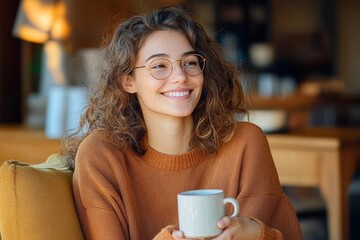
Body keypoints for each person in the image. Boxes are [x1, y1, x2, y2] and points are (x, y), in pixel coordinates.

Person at [61, 4, 302, 240]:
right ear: (128, 81)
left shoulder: (245, 143)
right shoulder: (100, 156)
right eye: (159, 66)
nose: (180, 77)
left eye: (189, 62)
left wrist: (258, 234)